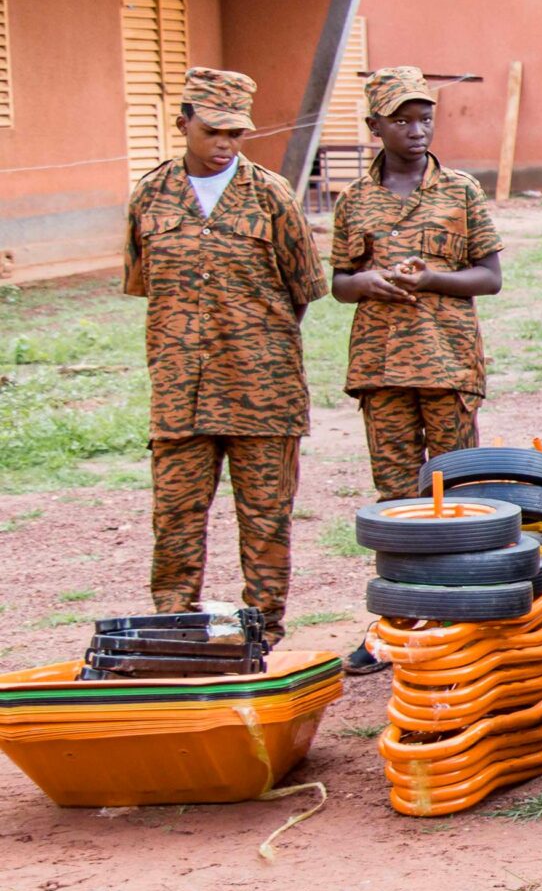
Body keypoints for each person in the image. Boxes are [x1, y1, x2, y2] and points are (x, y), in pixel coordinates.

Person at [123, 68, 325, 626]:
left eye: (235, 134)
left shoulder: (272, 196)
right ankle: (172, 623)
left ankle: (264, 627)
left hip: (263, 392)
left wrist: (254, 341)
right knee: (175, 516)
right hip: (180, 393)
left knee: (266, 518)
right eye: (212, 131)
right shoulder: (149, 196)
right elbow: (147, 286)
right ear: (182, 124)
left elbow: (302, 290)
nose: (224, 145)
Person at [330, 66, 503, 500]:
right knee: (396, 494)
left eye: (425, 119)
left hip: (447, 360)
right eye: (401, 120)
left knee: (460, 488)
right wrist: (365, 282)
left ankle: (460, 549)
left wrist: (431, 280)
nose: (417, 131)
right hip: (380, 366)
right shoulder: (353, 198)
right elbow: (339, 284)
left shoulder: (461, 191)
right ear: (375, 126)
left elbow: (490, 277)